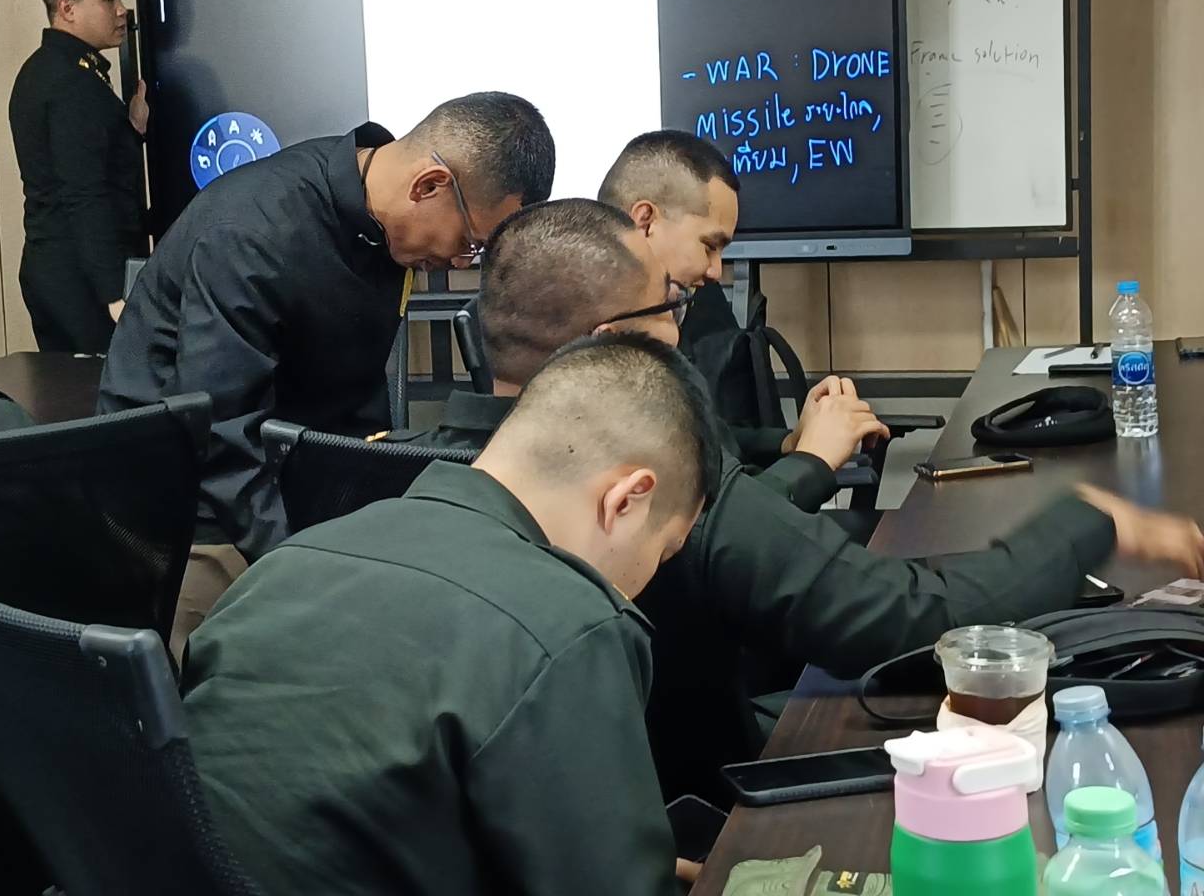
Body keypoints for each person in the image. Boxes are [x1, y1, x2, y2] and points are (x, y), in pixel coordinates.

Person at [389, 197, 1204, 803]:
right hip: (707, 812)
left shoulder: (408, 476)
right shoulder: (655, 482)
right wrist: (1093, 519)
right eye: (667, 307)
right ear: (614, 346)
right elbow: (915, 619)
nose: (682, 328)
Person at [182, 333, 718, 896]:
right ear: (626, 500)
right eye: (663, 551)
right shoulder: (571, 625)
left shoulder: (288, 563)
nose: (641, 585)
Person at [99, 92, 553, 648]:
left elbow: (354, 400)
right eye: (470, 243)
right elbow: (220, 438)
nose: (461, 262)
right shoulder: (253, 233)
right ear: (428, 186)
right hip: (190, 505)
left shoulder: (379, 226)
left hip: (289, 476)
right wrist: (310, 564)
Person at [599, 128, 888, 504]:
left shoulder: (670, 314)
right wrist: (811, 459)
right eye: (709, 245)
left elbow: (710, 444)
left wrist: (789, 442)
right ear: (645, 221)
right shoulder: (604, 356)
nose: (715, 271)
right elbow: (719, 524)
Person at [9, 0, 148, 353]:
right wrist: (114, 293)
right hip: (82, 279)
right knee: (102, 388)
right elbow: (83, 192)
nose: (121, 11)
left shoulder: (48, 68)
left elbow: (80, 162)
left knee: (69, 386)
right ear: (67, 8)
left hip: (57, 268)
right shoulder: (72, 82)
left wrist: (131, 130)